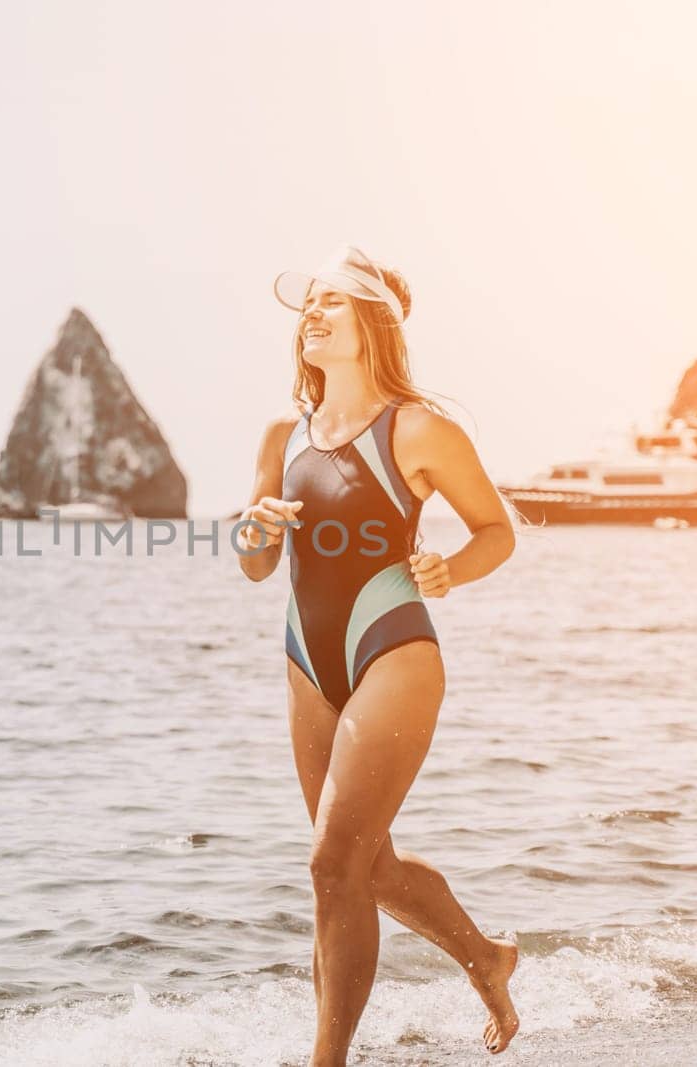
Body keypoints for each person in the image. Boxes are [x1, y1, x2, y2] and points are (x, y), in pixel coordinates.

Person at [236, 245, 523, 1063]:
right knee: (367, 867)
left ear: (374, 326)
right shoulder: (279, 435)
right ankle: (488, 958)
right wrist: (251, 536)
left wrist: (450, 571)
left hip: (392, 648)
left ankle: (326, 1061)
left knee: (332, 863)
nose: (314, 316)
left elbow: (495, 531)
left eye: (334, 303)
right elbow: (258, 564)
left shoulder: (419, 428)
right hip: (306, 661)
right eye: (309, 306)